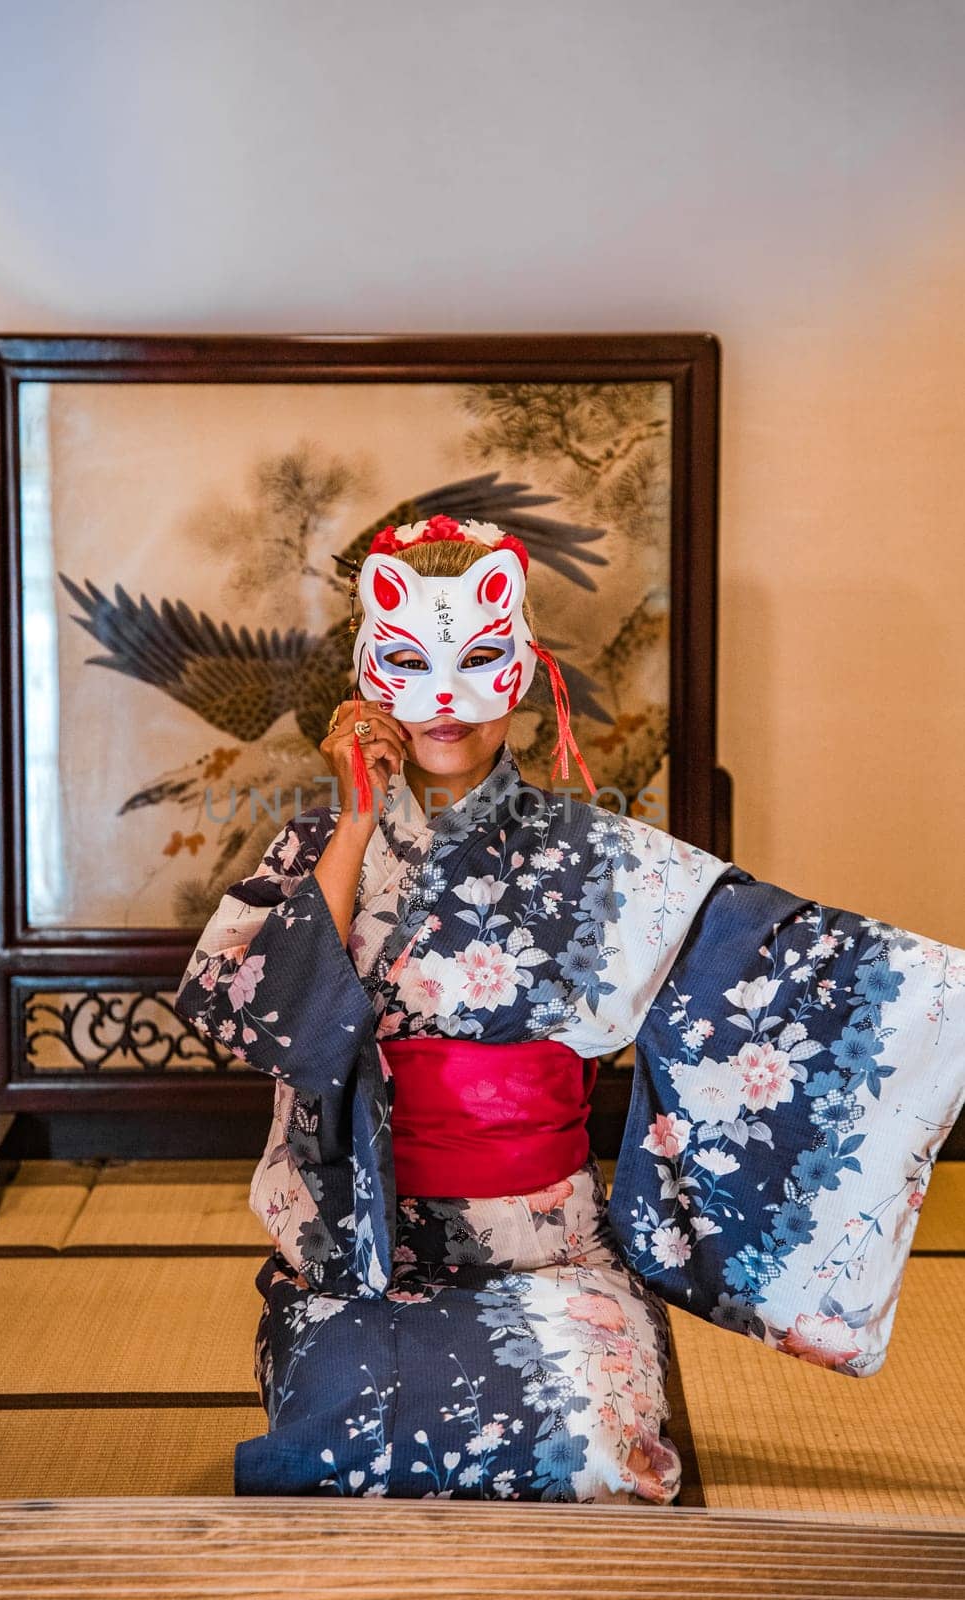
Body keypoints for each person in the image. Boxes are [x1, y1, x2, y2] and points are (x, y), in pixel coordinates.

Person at [173, 516, 964, 1502]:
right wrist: (357, 819)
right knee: (333, 1468)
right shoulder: (314, 850)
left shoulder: (597, 858)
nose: (447, 697)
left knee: (595, 1466)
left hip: (545, 1264)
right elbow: (247, 1016)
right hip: (357, 1265)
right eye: (413, 663)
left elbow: (777, 957)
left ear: (524, 670)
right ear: (371, 679)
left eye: (479, 660)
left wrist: (945, 1000)